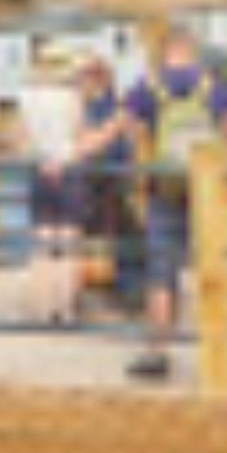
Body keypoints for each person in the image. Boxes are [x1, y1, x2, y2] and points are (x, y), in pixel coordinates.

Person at [119, 28, 227, 382]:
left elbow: (131, 130)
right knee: (214, 265)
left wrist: (141, 173)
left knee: (161, 270)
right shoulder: (213, 87)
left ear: (165, 49)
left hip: (164, 187)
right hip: (208, 191)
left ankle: (158, 349)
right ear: (192, 48)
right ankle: (217, 353)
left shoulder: (148, 87)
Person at [11, 47, 84, 324]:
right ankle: (64, 309)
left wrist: (41, 159)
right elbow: (78, 134)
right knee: (67, 244)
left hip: (39, 170)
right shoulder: (72, 97)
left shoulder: (26, 98)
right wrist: (63, 159)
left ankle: (41, 309)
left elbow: (19, 140)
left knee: (42, 244)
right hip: (67, 169)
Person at [70, 54, 139, 314]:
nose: (78, 83)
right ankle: (117, 288)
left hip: (106, 179)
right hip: (104, 178)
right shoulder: (105, 106)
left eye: (82, 77)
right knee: (107, 236)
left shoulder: (103, 107)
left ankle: (122, 289)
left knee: (109, 234)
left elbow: (90, 145)